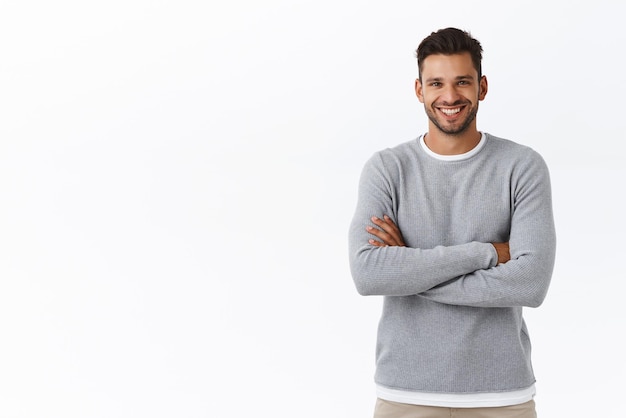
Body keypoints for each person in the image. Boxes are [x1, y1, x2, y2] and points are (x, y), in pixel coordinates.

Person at [348, 27, 556, 418]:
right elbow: (368, 275)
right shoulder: (387, 169)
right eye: (436, 83)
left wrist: (409, 268)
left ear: (482, 86)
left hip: (501, 396)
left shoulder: (522, 166)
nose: (450, 96)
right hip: (404, 393)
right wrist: (487, 253)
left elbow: (531, 282)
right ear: (418, 89)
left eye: (463, 81)